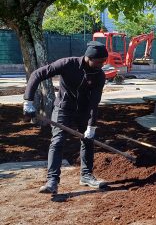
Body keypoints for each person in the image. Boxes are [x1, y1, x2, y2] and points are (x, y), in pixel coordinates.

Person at [23, 41, 108, 194]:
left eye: (103, 62)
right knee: (57, 141)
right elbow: (37, 74)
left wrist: (92, 125)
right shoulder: (68, 64)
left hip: (84, 110)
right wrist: (28, 101)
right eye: (98, 61)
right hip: (63, 109)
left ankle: (86, 176)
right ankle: (52, 181)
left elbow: (95, 102)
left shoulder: (99, 75)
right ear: (88, 57)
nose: (101, 65)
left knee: (88, 141)